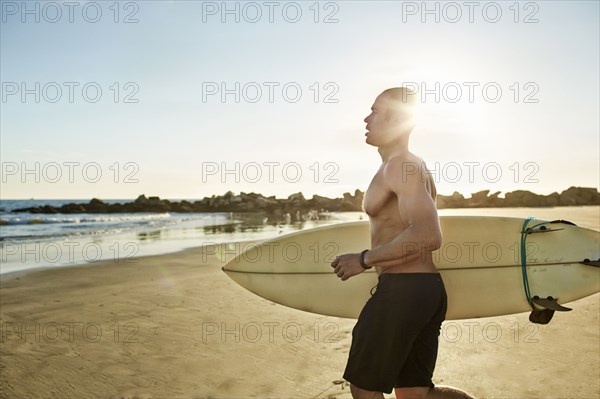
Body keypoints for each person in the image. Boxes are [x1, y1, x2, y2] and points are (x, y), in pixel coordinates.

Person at [330, 88, 476, 399]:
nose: (366, 118)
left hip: (403, 292)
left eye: (375, 111)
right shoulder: (408, 164)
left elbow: (427, 234)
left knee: (364, 388)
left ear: (397, 119)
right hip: (422, 290)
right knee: (414, 392)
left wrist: (364, 259)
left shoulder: (400, 165)